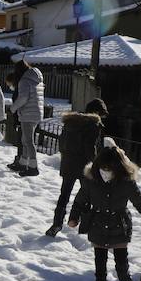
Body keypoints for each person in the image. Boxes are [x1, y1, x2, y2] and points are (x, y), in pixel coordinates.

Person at [68, 143, 141, 281]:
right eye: (103, 168)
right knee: (100, 259)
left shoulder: (126, 182)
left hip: (119, 224)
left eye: (110, 169)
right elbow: (80, 200)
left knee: (121, 258)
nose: (106, 172)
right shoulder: (91, 180)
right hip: (98, 223)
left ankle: (124, 276)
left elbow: (140, 202)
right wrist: (74, 217)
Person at [45, 98, 109, 237]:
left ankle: (56, 224)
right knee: (87, 195)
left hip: (68, 163)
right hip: (84, 165)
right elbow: (90, 148)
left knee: (64, 195)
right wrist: (96, 164)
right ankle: (82, 225)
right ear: (97, 112)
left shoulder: (71, 121)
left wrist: (66, 156)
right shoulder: (93, 125)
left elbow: (61, 142)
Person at [8, 60, 45, 176]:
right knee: (25, 140)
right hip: (36, 113)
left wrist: (13, 108)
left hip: (28, 113)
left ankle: (33, 167)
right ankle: (23, 163)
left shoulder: (24, 81)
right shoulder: (36, 79)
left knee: (28, 141)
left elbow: (23, 98)